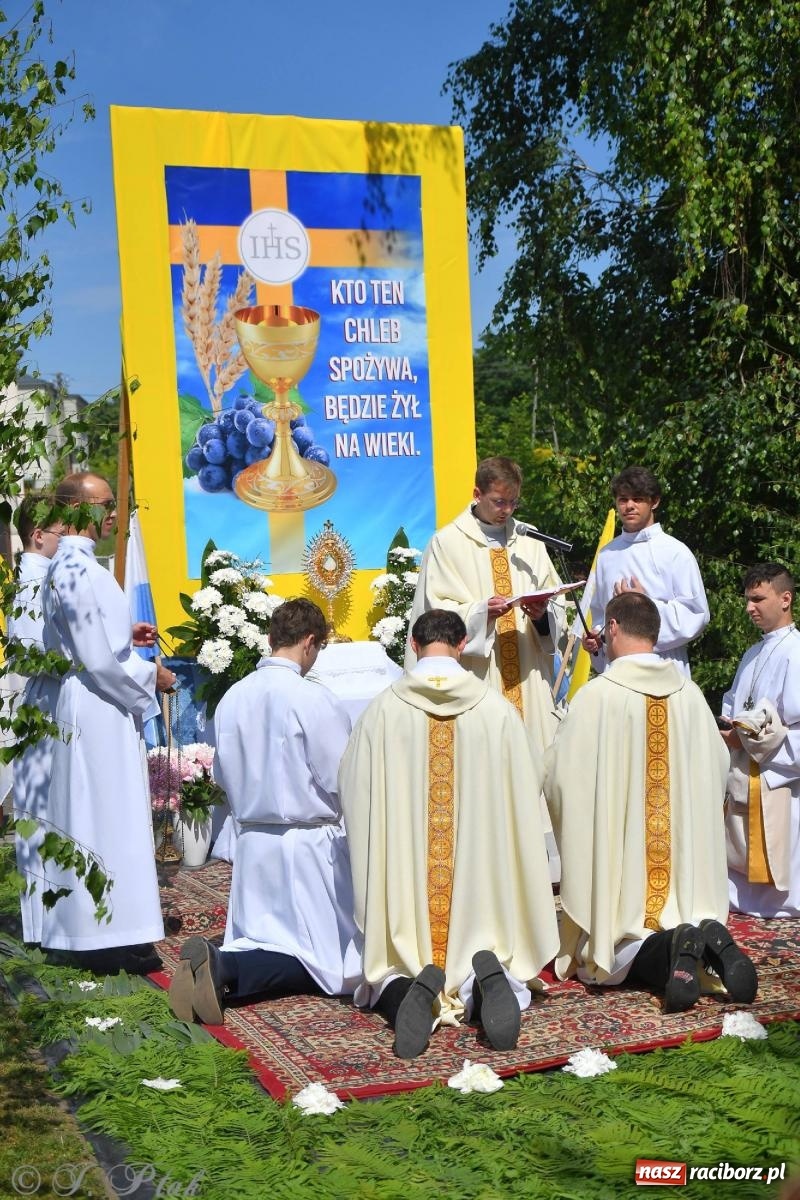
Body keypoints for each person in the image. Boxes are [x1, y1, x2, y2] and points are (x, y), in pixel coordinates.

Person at [340, 609, 558, 1058]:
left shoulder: (383, 710)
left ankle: (409, 989)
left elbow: (352, 784)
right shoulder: (495, 709)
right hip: (479, 877)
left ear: (414, 646)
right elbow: (529, 778)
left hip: (407, 884)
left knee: (391, 968)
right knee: (484, 940)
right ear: (462, 646)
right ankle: (483, 982)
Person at [545, 592, 756, 1011]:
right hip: (680, 866)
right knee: (683, 912)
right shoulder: (691, 694)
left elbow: (559, 778)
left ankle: (673, 944)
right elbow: (718, 767)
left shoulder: (597, 696)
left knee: (609, 952)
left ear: (614, 629)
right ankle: (701, 933)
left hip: (622, 865)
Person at [169, 598, 360, 1025]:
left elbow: (220, 774)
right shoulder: (312, 698)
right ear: (310, 643)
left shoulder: (233, 697)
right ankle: (224, 968)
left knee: (262, 936)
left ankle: (224, 966)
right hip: (307, 844)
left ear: (272, 638)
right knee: (335, 963)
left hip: (252, 841)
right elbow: (341, 775)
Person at [40, 473, 175, 974]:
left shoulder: (79, 565)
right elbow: (95, 659)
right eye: (105, 504)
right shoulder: (75, 568)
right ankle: (108, 934)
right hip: (96, 703)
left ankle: (113, 927)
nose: (114, 513)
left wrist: (127, 632)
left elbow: (95, 637)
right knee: (104, 815)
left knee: (104, 812)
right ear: (76, 509)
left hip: (98, 701)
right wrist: (150, 674)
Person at [406, 457, 566, 757]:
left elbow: (558, 605)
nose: (507, 511)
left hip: (529, 672)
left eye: (513, 503)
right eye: (499, 502)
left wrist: (543, 616)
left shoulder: (530, 540)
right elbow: (435, 613)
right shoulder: (448, 543)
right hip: (478, 674)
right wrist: (482, 612)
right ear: (477, 494)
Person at [720, 563, 800, 917]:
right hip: (746, 770)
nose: (749, 607)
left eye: (758, 599)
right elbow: (734, 703)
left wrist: (748, 740)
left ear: (785, 599)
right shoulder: (753, 653)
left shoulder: (795, 652)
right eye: (747, 599)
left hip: (778, 778)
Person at [581, 466, 709, 676]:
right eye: (623, 499)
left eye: (638, 498)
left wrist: (644, 606)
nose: (629, 506)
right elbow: (599, 615)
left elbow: (696, 614)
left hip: (662, 665)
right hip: (617, 670)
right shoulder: (606, 555)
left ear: (654, 501)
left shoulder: (675, 552)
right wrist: (597, 639)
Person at [6, 494, 64, 943]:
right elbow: (31, 655)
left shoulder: (45, 576)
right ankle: (43, 925)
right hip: (42, 708)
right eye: (63, 533)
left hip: (47, 704)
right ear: (38, 535)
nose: (68, 541)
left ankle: (50, 921)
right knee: (41, 816)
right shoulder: (33, 580)